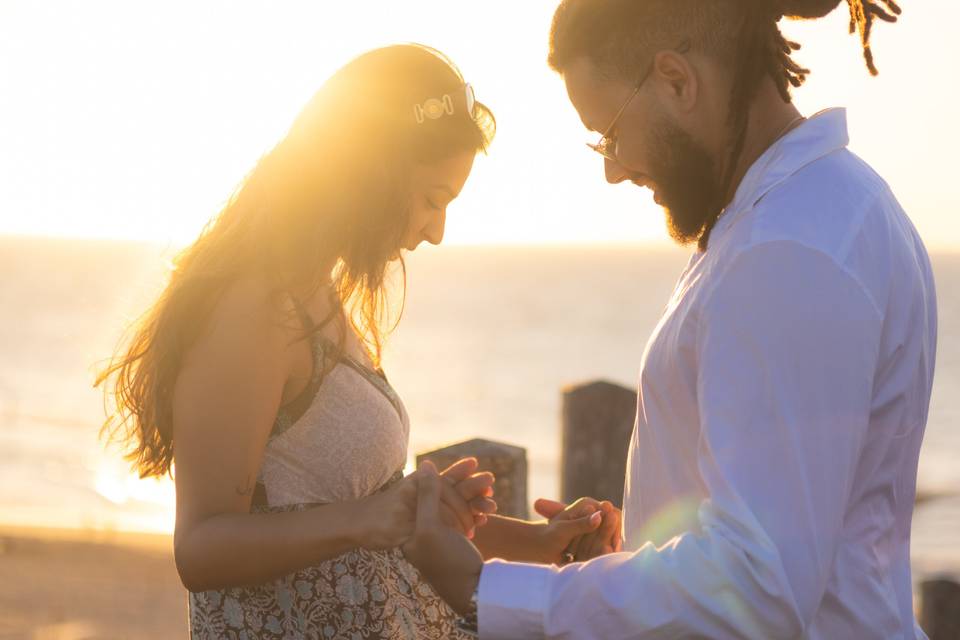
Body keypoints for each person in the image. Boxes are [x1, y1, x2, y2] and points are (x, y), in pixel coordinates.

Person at [402, 1, 938, 638]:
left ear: (677, 81)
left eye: (611, 133)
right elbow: (792, 527)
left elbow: (756, 581)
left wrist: (488, 589)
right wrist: (625, 570)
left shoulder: (786, 247)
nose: (612, 168)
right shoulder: (818, 210)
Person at [96, 44, 615, 639]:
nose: (437, 231)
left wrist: (542, 541)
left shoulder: (316, 296)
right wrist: (364, 518)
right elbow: (201, 547)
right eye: (432, 200)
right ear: (373, 171)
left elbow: (376, 514)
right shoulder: (253, 306)